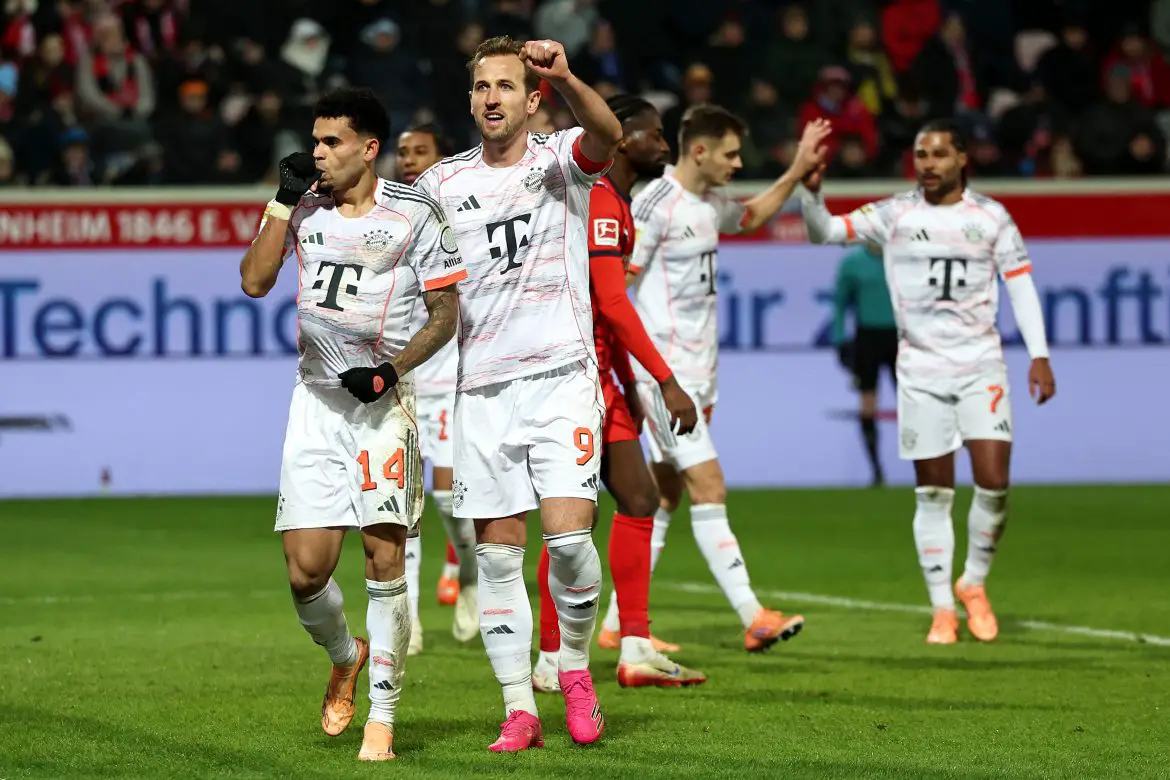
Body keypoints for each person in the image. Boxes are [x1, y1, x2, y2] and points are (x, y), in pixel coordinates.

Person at [239, 88, 466, 761]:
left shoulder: (415, 212)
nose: (317, 153)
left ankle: (383, 720)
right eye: (314, 140)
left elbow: (446, 315)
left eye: (331, 142)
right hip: (314, 404)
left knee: (384, 558)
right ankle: (346, 655)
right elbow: (254, 281)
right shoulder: (303, 207)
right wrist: (280, 202)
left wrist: (391, 371)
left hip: (381, 409)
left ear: (368, 149)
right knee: (306, 574)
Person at [413, 36, 622, 751]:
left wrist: (566, 76)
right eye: (481, 87)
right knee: (498, 557)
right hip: (483, 390)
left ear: (533, 100)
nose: (492, 98)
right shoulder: (441, 185)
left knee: (570, 542)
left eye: (506, 86)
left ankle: (573, 669)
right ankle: (518, 710)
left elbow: (609, 135)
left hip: (561, 378)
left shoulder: (561, 160)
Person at [800, 118, 1057, 644]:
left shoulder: (991, 217)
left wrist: (1040, 355)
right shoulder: (894, 214)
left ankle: (973, 582)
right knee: (934, 493)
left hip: (981, 365)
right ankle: (943, 609)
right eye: (921, 154)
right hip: (920, 372)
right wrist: (811, 194)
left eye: (939, 154)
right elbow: (823, 232)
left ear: (963, 158)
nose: (929, 164)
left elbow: (1020, 285)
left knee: (994, 483)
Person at [629, 105, 829, 652]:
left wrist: (797, 170)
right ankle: (753, 614)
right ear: (699, 151)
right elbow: (617, 283)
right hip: (667, 376)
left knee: (663, 496)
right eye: (731, 154)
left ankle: (622, 623)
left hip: (700, 375)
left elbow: (752, 216)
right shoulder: (656, 203)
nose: (739, 164)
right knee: (709, 487)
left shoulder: (709, 202)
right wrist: (645, 373)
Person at [533, 94, 706, 693]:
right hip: (575, 378)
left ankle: (631, 647)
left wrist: (629, 386)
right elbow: (610, 302)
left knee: (636, 497)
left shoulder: (612, 200)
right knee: (574, 518)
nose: (664, 145)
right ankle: (555, 657)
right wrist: (667, 381)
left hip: (602, 378)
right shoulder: (602, 199)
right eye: (654, 135)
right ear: (624, 139)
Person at [395, 123, 479, 654]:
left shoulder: (460, 216)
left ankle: (469, 574)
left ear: (441, 158)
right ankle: (408, 620)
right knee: (403, 505)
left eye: (420, 151)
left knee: (448, 497)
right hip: (401, 377)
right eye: (403, 152)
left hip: (447, 374)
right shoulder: (388, 217)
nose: (409, 159)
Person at [831, 240, 898, 486]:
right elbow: (839, 303)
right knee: (868, 401)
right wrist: (839, 339)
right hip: (867, 337)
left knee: (911, 402)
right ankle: (876, 470)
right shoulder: (852, 263)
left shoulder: (901, 259)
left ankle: (924, 465)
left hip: (900, 336)